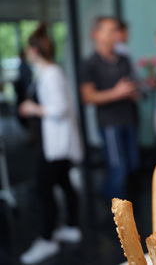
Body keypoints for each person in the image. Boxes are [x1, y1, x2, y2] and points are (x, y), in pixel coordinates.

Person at [19, 24, 83, 264]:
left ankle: (47, 240)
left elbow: (59, 108)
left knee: (43, 190)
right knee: (64, 183)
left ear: (35, 50)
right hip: (53, 142)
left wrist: (32, 108)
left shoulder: (51, 73)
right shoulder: (46, 72)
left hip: (56, 145)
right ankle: (72, 227)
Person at [80, 17, 140, 199]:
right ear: (96, 34)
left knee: (132, 164)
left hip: (129, 118)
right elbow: (88, 96)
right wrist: (116, 92)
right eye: (109, 30)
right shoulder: (90, 63)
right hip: (109, 123)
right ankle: (115, 213)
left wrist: (133, 92)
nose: (114, 34)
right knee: (117, 168)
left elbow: (131, 87)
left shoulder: (124, 59)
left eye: (115, 30)